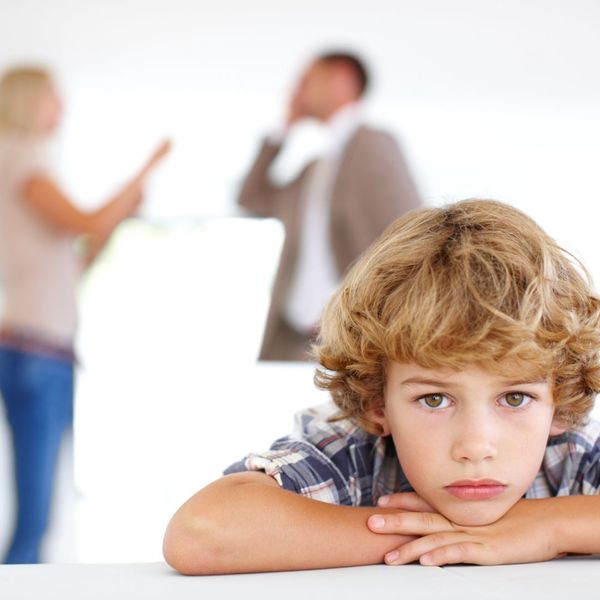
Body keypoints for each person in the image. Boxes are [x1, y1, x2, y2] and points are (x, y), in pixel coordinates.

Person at [163, 199, 600, 575]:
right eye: (434, 399)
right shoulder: (354, 455)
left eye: (515, 398)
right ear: (377, 404)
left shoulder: (573, 457)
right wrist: (444, 537)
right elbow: (203, 532)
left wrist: (548, 525)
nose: (475, 446)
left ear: (559, 402)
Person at [0, 66, 170, 564]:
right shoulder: (19, 157)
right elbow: (88, 221)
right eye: (54, 99)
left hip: (37, 346)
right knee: (35, 516)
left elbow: (76, 255)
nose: (62, 109)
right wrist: (145, 169)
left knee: (41, 511)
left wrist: (118, 218)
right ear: (29, 101)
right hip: (35, 349)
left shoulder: (22, 161)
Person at [238, 51, 421, 361]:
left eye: (306, 80)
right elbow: (251, 198)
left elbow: (410, 240)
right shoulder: (315, 168)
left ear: (342, 79)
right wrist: (283, 130)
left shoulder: (374, 144)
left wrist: (360, 310)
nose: (296, 91)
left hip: (351, 340)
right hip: (294, 340)